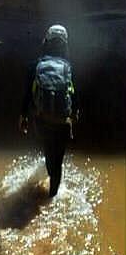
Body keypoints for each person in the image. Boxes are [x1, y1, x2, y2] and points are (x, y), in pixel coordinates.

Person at [19, 24, 79, 197]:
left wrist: (23, 116)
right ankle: (52, 196)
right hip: (62, 123)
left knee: (48, 150)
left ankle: (50, 172)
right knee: (58, 161)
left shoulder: (35, 66)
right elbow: (74, 95)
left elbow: (27, 95)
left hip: (41, 120)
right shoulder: (68, 67)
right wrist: (74, 114)